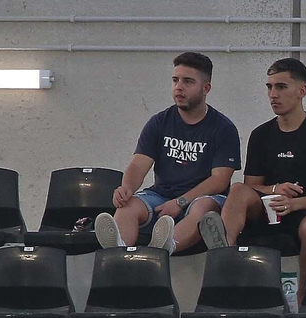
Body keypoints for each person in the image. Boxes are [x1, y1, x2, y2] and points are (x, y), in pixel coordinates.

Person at [199, 57, 306, 296]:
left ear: (301, 91)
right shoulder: (260, 135)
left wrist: (293, 203)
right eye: (269, 87)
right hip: (270, 206)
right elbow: (252, 187)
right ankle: (225, 248)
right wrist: (276, 190)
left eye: (281, 87)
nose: (273, 94)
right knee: (237, 191)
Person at [94, 52, 240, 254]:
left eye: (188, 81)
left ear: (206, 88)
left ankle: (164, 247)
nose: (179, 87)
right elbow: (138, 164)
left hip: (204, 198)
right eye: (175, 80)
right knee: (128, 206)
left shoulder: (223, 128)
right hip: (161, 195)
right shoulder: (159, 122)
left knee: (203, 209)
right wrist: (126, 188)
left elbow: (219, 181)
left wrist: (180, 202)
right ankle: (119, 252)